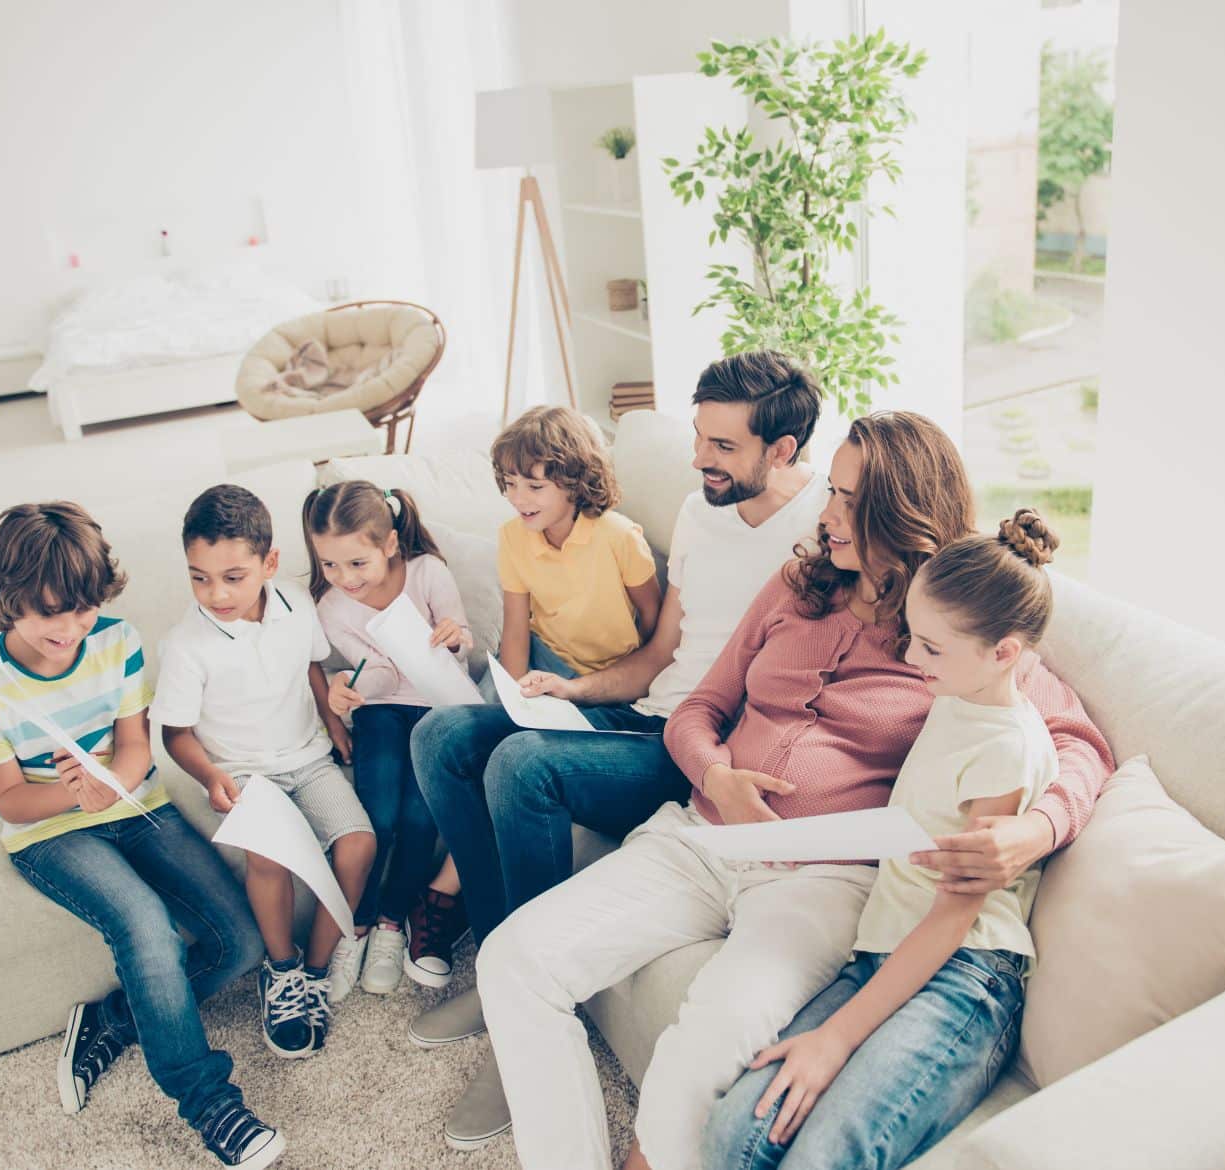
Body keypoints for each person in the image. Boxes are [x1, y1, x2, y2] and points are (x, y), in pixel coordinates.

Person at [473, 413, 1114, 1170]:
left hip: (822, 881)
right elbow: (698, 709)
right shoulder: (794, 586)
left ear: (899, 512)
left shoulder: (953, 626)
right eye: (830, 491)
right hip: (701, 836)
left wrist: (1033, 831)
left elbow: (1077, 743)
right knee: (513, 961)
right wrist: (715, 774)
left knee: (711, 1035)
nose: (825, 512)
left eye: (846, 499)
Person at [409, 351, 832, 1150]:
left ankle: (525, 1018)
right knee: (443, 740)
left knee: (524, 767)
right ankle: (503, 965)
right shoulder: (702, 508)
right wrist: (574, 689)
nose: (699, 458)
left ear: (783, 451)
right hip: (644, 709)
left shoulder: (823, 534)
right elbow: (660, 650)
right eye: (698, 438)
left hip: (696, 747)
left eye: (722, 446)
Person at [701, 508, 1063, 1170]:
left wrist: (835, 1038)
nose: (907, 655)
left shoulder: (1006, 747)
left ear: (1004, 653)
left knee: (821, 1154)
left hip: (966, 974)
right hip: (882, 949)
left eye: (929, 647)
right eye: (913, 636)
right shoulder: (958, 688)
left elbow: (953, 920)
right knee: (735, 1135)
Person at [0, 502, 283, 1170]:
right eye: (50, 614)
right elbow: (11, 798)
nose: (71, 629)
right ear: (6, 600)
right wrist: (75, 793)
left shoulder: (117, 640)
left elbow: (136, 746)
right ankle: (208, 1101)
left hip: (134, 804)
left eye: (82, 609)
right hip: (47, 834)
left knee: (241, 943)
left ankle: (115, 1021)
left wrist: (109, 783)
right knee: (146, 927)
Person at [153, 485, 376, 1057]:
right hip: (243, 773)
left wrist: (336, 725)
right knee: (269, 856)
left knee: (357, 846)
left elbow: (313, 670)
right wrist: (209, 777)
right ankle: (281, 971)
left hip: (309, 758)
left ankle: (318, 971)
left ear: (269, 563)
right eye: (199, 577)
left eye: (231, 576)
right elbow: (175, 734)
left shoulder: (298, 602)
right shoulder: (185, 645)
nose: (215, 593)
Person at [307, 479, 476, 994]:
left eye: (356, 564)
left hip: (437, 703)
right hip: (381, 710)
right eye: (330, 565)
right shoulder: (333, 607)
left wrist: (455, 638)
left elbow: (462, 644)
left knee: (419, 817)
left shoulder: (427, 573)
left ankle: (390, 923)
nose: (344, 578)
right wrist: (345, 690)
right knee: (376, 816)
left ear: (389, 545)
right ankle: (353, 925)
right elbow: (377, 672)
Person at [491, 405, 661, 683]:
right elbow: (515, 630)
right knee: (451, 725)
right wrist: (512, 699)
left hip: (604, 676)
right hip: (542, 656)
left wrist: (629, 678)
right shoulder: (512, 536)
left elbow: (652, 614)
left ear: (574, 481)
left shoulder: (619, 536)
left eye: (535, 487)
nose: (518, 499)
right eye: (510, 484)